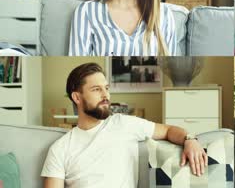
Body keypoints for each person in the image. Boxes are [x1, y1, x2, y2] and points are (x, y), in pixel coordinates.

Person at [41, 63, 206, 187]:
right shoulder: (60, 149)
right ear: (77, 98)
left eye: (106, 88)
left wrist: (190, 139)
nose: (106, 95)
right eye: (96, 89)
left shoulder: (124, 124)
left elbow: (168, 130)